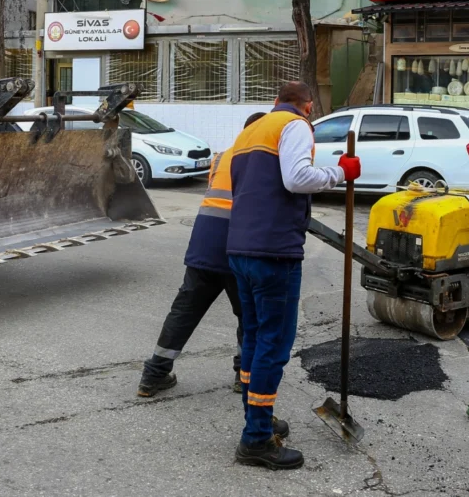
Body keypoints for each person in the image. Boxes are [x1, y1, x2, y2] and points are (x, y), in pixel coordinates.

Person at [227, 81, 360, 471]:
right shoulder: (296, 125)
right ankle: (255, 441)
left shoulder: (251, 131)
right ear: (307, 106)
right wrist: (340, 171)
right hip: (273, 253)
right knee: (273, 344)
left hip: (241, 249)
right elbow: (296, 178)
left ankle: (259, 421)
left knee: (253, 338)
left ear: (274, 102)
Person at [137, 112, 269, 398]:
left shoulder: (222, 156)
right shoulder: (263, 160)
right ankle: (242, 376)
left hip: (205, 243)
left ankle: (154, 374)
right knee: (249, 315)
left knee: (185, 311)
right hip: (239, 247)